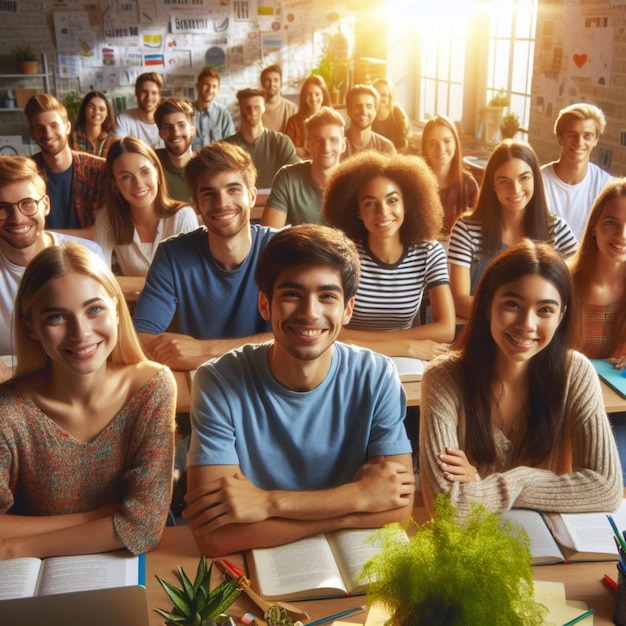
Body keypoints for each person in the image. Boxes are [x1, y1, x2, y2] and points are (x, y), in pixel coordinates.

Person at [183, 224, 415, 556]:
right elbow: (215, 538)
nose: (309, 313)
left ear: (347, 309)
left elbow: (397, 509)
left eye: (327, 296)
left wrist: (268, 503)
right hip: (254, 566)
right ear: (266, 304)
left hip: (353, 560)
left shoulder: (376, 375)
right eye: (292, 294)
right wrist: (359, 498)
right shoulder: (218, 381)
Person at [419, 239, 622, 518]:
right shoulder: (443, 377)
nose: (527, 324)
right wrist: (548, 488)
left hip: (553, 548)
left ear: (561, 316)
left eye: (545, 310)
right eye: (512, 304)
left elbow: (605, 488)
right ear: (488, 306)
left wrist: (490, 483)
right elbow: (448, 508)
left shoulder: (576, 372)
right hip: (474, 549)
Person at [0, 241, 175, 558]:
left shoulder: (152, 387)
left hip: (126, 567)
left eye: (94, 309)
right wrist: (98, 517)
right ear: (32, 328)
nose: (80, 333)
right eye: (56, 317)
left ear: (118, 311)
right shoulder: (8, 411)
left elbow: (145, 526)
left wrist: (16, 547)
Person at [132, 142, 274, 370]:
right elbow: (139, 340)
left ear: (253, 196)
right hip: (203, 386)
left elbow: (304, 335)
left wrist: (203, 350)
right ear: (197, 204)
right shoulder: (172, 255)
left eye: (233, 189)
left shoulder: (282, 249)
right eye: (209, 194)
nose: (222, 203)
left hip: (269, 381)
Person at [323, 151, 455, 360]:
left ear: (406, 205)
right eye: (370, 203)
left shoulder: (429, 252)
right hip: (350, 358)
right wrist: (405, 346)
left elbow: (446, 329)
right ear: (357, 211)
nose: (383, 212)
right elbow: (332, 331)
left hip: (400, 361)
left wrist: (374, 343)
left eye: (392, 200)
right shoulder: (342, 254)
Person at [448, 139, 578, 319]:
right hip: (479, 333)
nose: (515, 190)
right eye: (504, 181)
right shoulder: (466, 230)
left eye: (524, 178)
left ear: (535, 179)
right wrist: (513, 319)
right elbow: (459, 301)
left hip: (536, 337)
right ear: (492, 185)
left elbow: (577, 294)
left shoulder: (558, 231)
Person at [0, 156, 103, 372]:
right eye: (3, 208)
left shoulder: (88, 255)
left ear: (45, 205)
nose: (17, 218)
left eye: (27, 204)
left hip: (76, 375)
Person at [95, 137, 198, 276]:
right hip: (127, 299)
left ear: (156, 172)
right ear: (116, 185)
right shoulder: (106, 218)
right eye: (126, 177)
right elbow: (100, 279)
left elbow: (190, 283)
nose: (138, 184)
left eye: (144, 172)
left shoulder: (183, 216)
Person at [25, 93, 106, 238]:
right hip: (43, 256)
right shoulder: (27, 173)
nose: (48, 134)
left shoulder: (98, 169)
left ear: (67, 127)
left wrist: (41, 235)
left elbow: (101, 232)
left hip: (89, 254)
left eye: (54, 125)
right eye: (40, 128)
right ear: (32, 133)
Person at [569, 178, 626, 365]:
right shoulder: (563, 283)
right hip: (566, 389)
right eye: (611, 222)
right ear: (594, 225)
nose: (622, 235)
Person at [261, 106, 345, 228]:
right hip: (299, 247)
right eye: (318, 140)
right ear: (307, 145)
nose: (326, 148)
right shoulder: (288, 178)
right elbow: (269, 236)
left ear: (343, 145)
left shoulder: (356, 182)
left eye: (334, 140)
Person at [541, 102, 613, 240]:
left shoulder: (606, 186)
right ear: (560, 138)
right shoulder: (538, 181)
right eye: (572, 134)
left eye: (587, 136)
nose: (579, 142)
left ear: (596, 140)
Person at [224, 88, 299, 199]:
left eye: (257, 107)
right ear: (240, 109)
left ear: (264, 107)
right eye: (247, 108)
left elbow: (296, 178)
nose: (253, 112)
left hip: (278, 205)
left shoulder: (282, 142)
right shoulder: (226, 147)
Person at [421, 114, 478, 235]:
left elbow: (477, 231)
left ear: (456, 144)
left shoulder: (469, 185)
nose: (441, 148)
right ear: (425, 148)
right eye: (432, 143)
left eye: (447, 141)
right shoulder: (415, 183)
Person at [155, 97, 196, 203]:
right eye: (168, 127)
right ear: (160, 133)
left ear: (192, 130)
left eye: (181, 125)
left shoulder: (206, 165)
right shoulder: (151, 161)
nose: (176, 133)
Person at [343, 84, 396, 160]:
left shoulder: (386, 147)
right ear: (348, 110)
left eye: (369, 106)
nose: (364, 111)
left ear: (375, 111)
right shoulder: (337, 144)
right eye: (358, 106)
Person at [113, 72, 164, 149]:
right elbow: (117, 149)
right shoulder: (123, 119)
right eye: (144, 92)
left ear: (159, 96)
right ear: (136, 93)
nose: (149, 97)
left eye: (154, 93)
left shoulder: (167, 120)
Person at [285, 75, 331, 158]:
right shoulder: (293, 121)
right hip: (298, 166)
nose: (313, 98)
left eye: (317, 94)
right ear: (304, 97)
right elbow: (285, 149)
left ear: (323, 95)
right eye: (309, 94)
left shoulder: (332, 121)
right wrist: (296, 151)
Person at [191, 67, 235, 152]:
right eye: (206, 85)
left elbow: (230, 146)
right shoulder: (187, 112)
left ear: (218, 89)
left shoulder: (223, 114)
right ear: (198, 86)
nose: (210, 90)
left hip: (217, 163)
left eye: (214, 86)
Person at [69, 91, 118, 159]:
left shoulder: (114, 143)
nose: (97, 112)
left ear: (107, 113)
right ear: (84, 109)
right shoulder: (71, 139)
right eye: (91, 107)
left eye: (102, 109)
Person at [371, 78, 410, 152]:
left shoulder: (397, 112)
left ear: (390, 96)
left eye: (384, 95)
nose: (380, 98)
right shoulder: (369, 113)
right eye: (377, 94)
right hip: (376, 155)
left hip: (398, 153)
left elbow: (403, 143)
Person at [260, 63, 297, 134]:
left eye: (276, 80)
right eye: (268, 80)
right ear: (262, 83)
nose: (272, 84)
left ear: (281, 83)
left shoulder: (292, 109)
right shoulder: (256, 109)